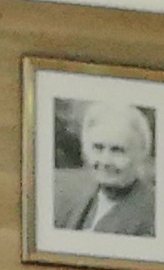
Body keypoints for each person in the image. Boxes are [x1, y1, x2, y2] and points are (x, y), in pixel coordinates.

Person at [53, 97, 158, 240]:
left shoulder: (154, 216)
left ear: (141, 154)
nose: (105, 161)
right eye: (98, 147)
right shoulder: (67, 201)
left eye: (117, 150)